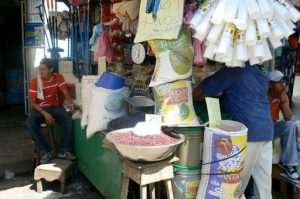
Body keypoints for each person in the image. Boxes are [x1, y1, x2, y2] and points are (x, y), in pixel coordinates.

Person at [193, 63, 274, 199]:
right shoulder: (259, 72)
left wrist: (188, 97)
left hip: (250, 133)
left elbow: (203, 89)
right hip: (266, 130)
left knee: (236, 184)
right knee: (264, 185)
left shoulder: (234, 69)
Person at [27, 58, 76, 164]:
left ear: (51, 70)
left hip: (54, 107)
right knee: (30, 122)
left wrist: (68, 100)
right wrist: (45, 113)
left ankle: (64, 150)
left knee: (68, 118)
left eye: (43, 69)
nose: (41, 72)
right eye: (40, 69)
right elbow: (33, 103)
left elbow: (65, 91)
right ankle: (45, 152)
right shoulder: (35, 81)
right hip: (39, 108)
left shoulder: (58, 77)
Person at [268, 70, 299, 179]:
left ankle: (289, 164)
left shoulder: (282, 96)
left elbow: (288, 117)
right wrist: (273, 98)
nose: (283, 84)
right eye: (279, 82)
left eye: (283, 81)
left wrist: (282, 99)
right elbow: (262, 116)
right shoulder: (263, 94)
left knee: (290, 125)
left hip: (273, 126)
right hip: (262, 127)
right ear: (270, 84)